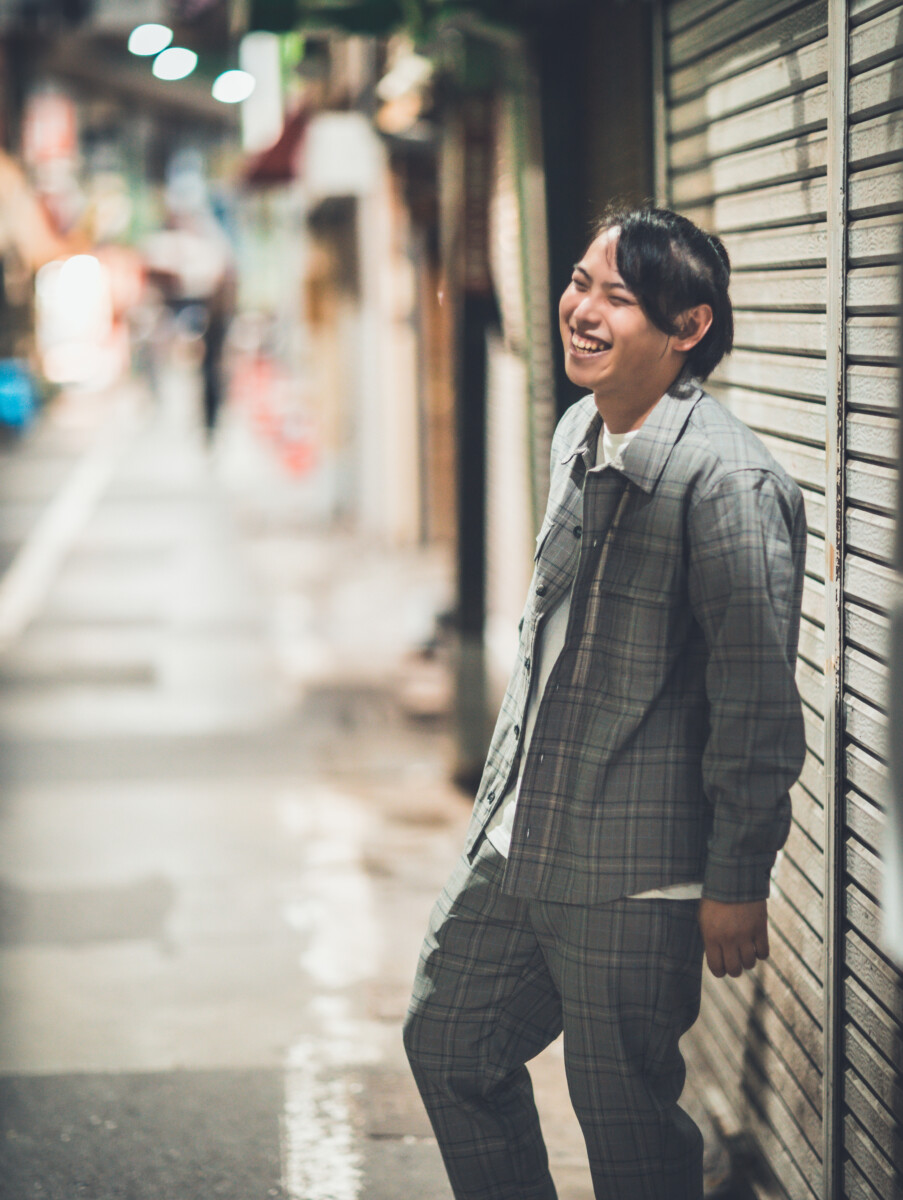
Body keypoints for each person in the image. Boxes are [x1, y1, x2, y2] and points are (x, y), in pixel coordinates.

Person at [403, 206, 807, 1200]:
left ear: (687, 327)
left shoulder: (727, 483)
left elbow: (756, 702)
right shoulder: (578, 429)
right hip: (521, 841)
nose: (582, 310)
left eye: (618, 298)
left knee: (625, 1127)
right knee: (448, 1041)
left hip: (635, 875)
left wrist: (738, 875)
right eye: (581, 282)